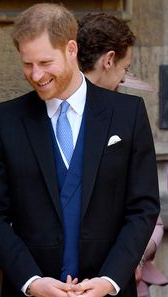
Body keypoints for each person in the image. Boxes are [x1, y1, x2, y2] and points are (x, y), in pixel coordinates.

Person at [0, 3, 160, 297]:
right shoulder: (4, 121)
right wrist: (31, 281)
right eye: (27, 64)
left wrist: (110, 280)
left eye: (45, 62)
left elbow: (143, 208)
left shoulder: (128, 114)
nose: (36, 75)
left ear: (71, 49)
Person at [77, 12, 168, 297]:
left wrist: (128, 261)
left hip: (117, 278)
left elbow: (145, 206)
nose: (123, 79)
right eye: (124, 69)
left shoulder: (129, 114)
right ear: (108, 60)